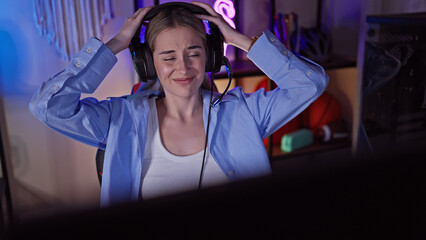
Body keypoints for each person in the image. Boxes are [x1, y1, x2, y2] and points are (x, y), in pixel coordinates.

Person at [29, 1, 328, 207]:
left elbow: (310, 84)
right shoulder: (122, 120)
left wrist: (238, 40)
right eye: (168, 57)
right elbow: (48, 106)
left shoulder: (243, 113)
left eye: (194, 53)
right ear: (148, 64)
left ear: (211, 56)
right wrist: (116, 44)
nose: (183, 68)